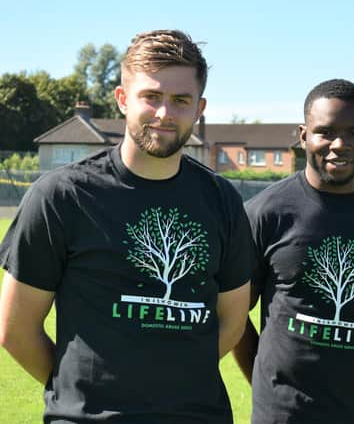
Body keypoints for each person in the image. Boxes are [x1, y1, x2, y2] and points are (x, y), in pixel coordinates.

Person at [0, 30, 254, 423]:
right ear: (123, 99)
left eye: (180, 101)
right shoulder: (62, 196)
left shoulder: (222, 202)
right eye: (151, 97)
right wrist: (80, 394)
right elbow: (16, 330)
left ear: (199, 108)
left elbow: (233, 322)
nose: (164, 113)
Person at [232, 78, 354, 423]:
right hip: (282, 414)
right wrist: (267, 382)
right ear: (304, 135)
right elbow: (235, 316)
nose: (340, 144)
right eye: (326, 132)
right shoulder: (265, 213)